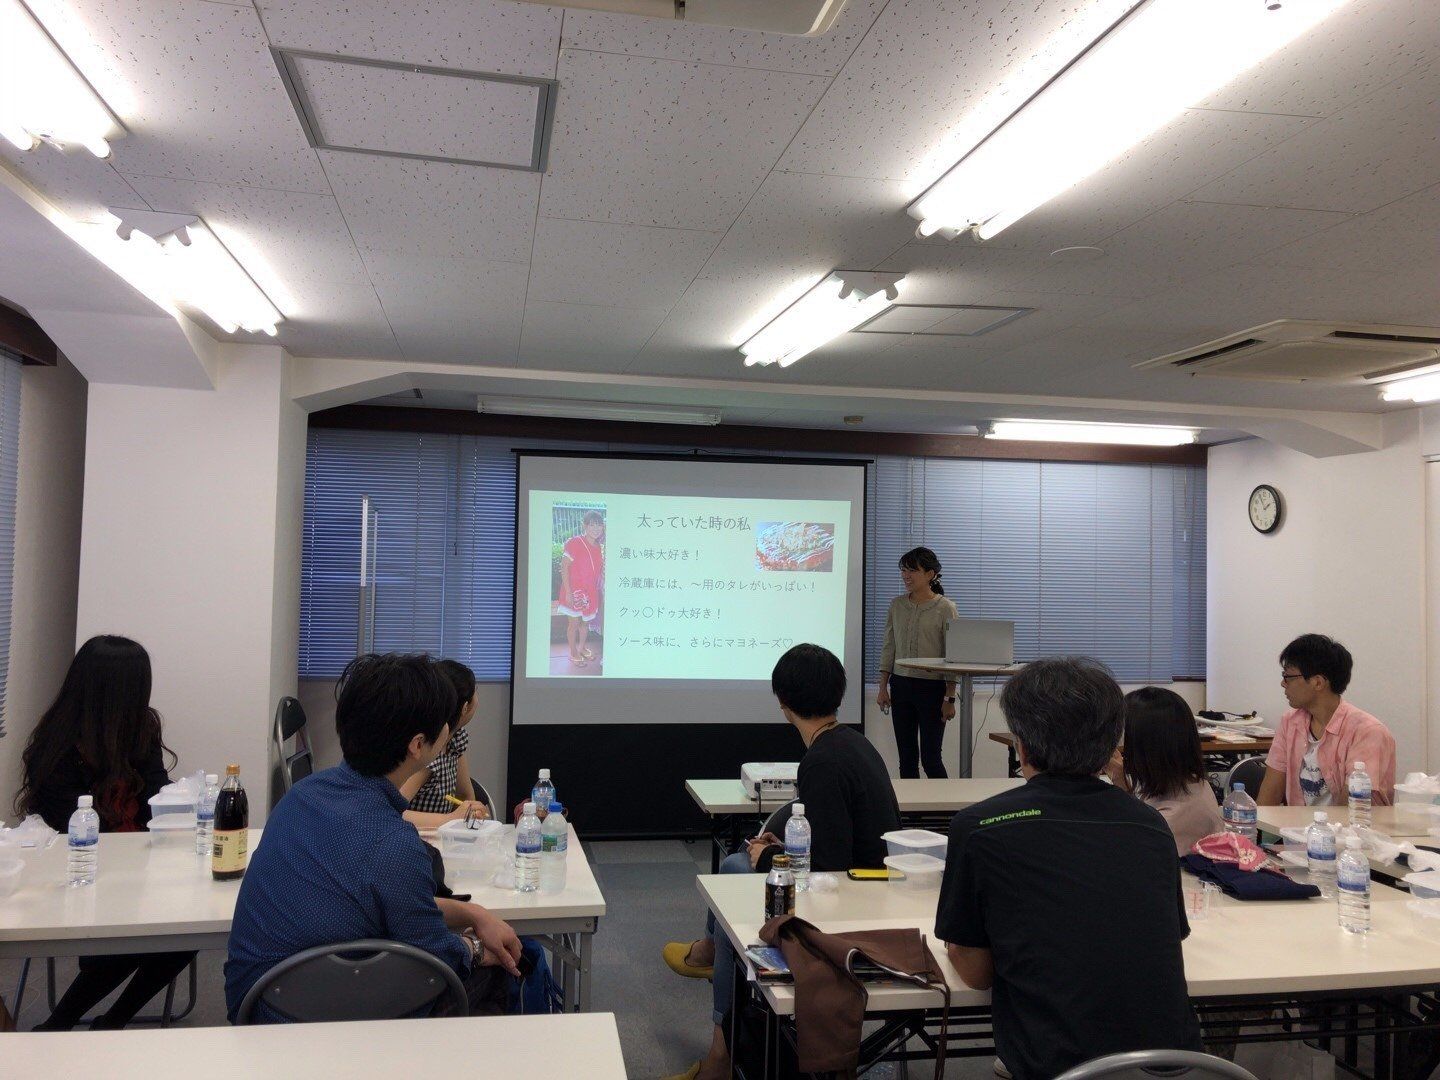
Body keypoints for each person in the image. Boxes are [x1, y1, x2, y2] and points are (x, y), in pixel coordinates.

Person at [937, 657, 1202, 1080]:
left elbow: (974, 974)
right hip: (1173, 1068)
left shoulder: (979, 827)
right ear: (1111, 745)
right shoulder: (1150, 824)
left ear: (1021, 745)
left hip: (1058, 1068)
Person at [224, 653, 522, 1022]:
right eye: (444, 723)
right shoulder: (394, 843)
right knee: (506, 968)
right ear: (418, 745)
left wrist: (472, 912)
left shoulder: (300, 797)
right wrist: (475, 947)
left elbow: (399, 904)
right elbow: (437, 957)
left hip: (253, 1004)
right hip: (317, 1022)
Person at [662, 644, 901, 1080]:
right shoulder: (854, 744)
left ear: (783, 702)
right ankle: (714, 968)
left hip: (851, 909)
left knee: (735, 877)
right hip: (874, 893)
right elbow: (834, 840)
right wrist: (784, 849)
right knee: (738, 869)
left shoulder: (822, 762)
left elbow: (829, 867)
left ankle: (720, 1050)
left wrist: (771, 856)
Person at [13, 636, 194, 1030]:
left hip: (136, 865)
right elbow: (67, 830)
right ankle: (59, 1024)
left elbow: (155, 790)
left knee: (186, 928)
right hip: (76, 872)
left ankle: (113, 1021)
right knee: (137, 933)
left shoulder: (141, 726)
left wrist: (177, 806)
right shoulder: (60, 745)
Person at [1258, 634, 1395, 807]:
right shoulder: (1291, 721)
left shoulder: (1368, 731)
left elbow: (1351, 809)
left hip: (1349, 824)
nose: (1283, 684)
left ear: (1318, 682)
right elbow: (1269, 796)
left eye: (1288, 676)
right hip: (1297, 824)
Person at [1108, 687, 1224, 854]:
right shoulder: (1184, 783)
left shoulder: (1170, 818)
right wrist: (1120, 779)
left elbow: (1131, 839)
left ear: (1144, 747)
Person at [876, 547, 959, 778]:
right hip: (900, 685)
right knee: (907, 758)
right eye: (904, 570)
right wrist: (883, 687)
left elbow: (953, 655)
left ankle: (944, 802)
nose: (906, 576)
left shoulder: (945, 608)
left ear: (930, 574)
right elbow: (889, 646)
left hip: (932, 688)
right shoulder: (897, 605)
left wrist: (950, 698)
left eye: (912, 570)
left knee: (931, 759)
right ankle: (911, 804)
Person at [399, 658, 489, 830]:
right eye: (475, 692)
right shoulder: (425, 750)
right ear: (465, 708)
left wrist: (472, 811)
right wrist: (451, 819)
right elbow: (395, 812)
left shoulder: (455, 739)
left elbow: (465, 796)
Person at [558, 509, 605, 668]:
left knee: (586, 623)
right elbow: (564, 567)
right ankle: (573, 652)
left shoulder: (598, 547)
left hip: (591, 593)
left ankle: (582, 647)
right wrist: (568, 592)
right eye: (592, 525)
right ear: (584, 526)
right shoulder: (574, 542)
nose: (596, 529)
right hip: (574, 591)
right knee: (574, 623)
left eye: (599, 525)